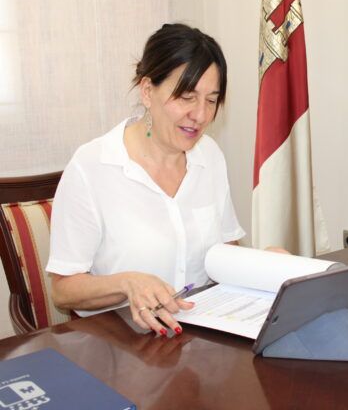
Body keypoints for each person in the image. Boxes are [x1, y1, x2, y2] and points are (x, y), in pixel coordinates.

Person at [47, 23, 246, 336]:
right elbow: (62, 290)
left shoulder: (210, 155)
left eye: (211, 100)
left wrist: (264, 267)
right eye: (187, 96)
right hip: (121, 344)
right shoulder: (92, 166)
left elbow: (226, 252)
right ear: (147, 91)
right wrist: (127, 283)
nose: (200, 115)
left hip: (201, 335)